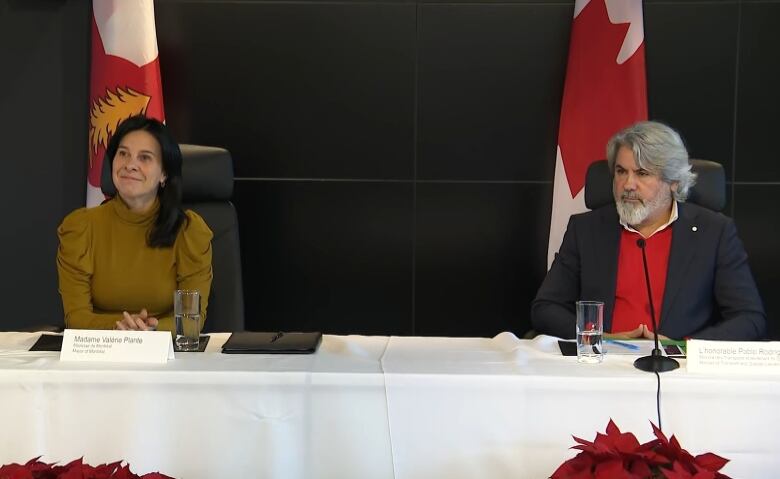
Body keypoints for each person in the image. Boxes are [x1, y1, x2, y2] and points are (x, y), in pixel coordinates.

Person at [532, 121, 765, 341]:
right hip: (603, 364)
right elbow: (545, 308)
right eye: (621, 171)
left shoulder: (715, 233)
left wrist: (683, 347)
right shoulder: (586, 229)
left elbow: (749, 318)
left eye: (642, 173)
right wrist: (602, 339)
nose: (628, 184)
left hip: (679, 371)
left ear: (673, 181)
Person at [57, 115, 213, 332]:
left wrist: (150, 331)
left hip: (167, 356)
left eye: (145, 158)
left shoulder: (188, 231)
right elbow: (76, 317)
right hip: (98, 354)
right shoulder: (81, 227)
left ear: (164, 174)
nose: (130, 165)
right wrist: (119, 328)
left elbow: (190, 320)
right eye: (123, 154)